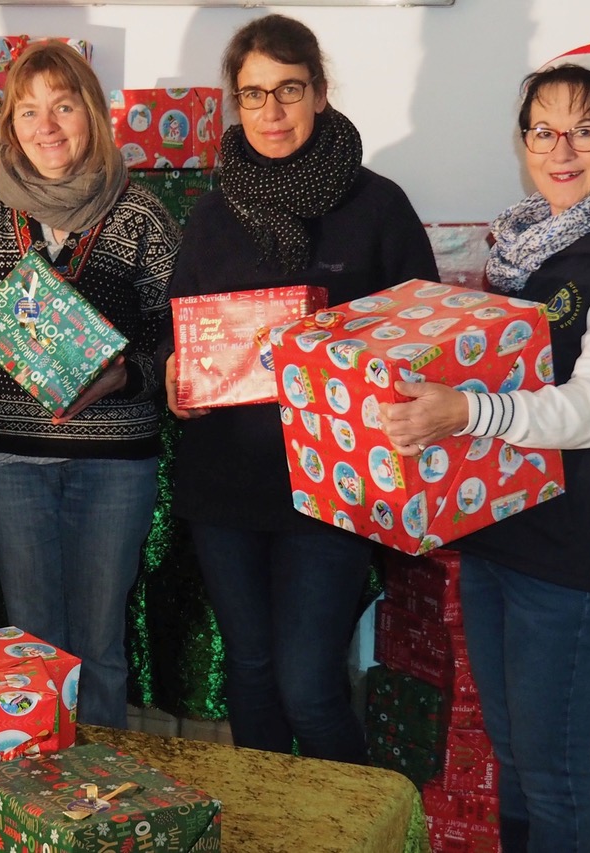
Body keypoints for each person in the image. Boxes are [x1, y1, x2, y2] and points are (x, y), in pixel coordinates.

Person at [379, 44, 590, 853]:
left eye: (585, 131)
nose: (561, 151)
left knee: (553, 773)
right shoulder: (519, 248)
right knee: (513, 759)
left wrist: (463, 412)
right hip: (501, 532)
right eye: (542, 132)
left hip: (575, 553)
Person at [158, 14, 438, 763]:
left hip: (334, 483)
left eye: (288, 89)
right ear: (235, 103)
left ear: (319, 91)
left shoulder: (378, 207)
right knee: (250, 672)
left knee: (309, 684)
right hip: (227, 482)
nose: (272, 112)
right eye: (253, 95)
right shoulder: (213, 211)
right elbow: (178, 325)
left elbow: (425, 341)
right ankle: (264, 828)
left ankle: (358, 832)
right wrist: (173, 373)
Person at [0, 40, 182, 728]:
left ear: (94, 114)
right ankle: (34, 795)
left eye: (64, 106)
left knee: (101, 641)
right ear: (8, 127)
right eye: (27, 112)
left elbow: (175, 337)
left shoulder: (143, 215)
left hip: (114, 463)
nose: (46, 127)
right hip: (6, 458)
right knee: (30, 638)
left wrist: (121, 374)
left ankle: (101, 796)